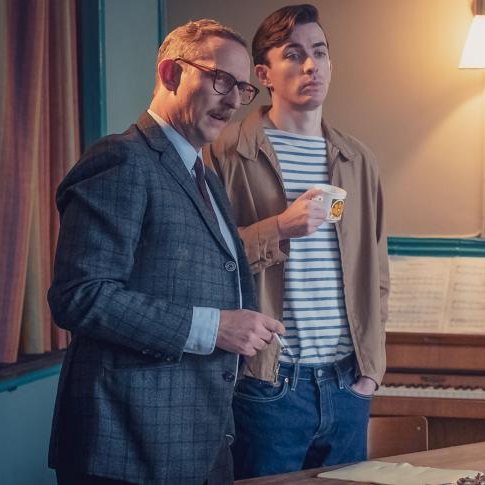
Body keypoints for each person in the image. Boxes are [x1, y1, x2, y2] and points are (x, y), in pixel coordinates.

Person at [47, 19, 285, 485]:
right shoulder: (120, 159)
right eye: (221, 80)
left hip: (202, 441)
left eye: (242, 88)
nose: (234, 100)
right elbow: (80, 296)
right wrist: (214, 326)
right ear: (172, 74)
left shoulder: (206, 175)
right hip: (125, 448)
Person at [206, 4, 389, 478]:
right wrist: (280, 227)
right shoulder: (225, 151)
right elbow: (205, 265)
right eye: (294, 55)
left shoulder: (358, 159)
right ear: (264, 73)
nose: (311, 66)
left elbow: (378, 273)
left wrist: (370, 372)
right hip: (268, 384)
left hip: (348, 382)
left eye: (320, 52)